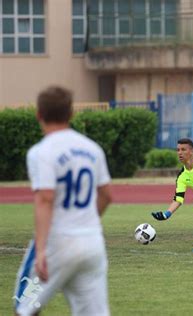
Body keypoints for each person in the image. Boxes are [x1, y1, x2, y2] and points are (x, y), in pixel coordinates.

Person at [13, 86, 112, 316]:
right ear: (71, 114)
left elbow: (45, 198)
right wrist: (84, 222)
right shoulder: (92, 149)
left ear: (39, 114)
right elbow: (107, 195)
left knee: (24, 307)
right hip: (92, 245)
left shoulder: (41, 152)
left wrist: (40, 252)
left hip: (56, 245)